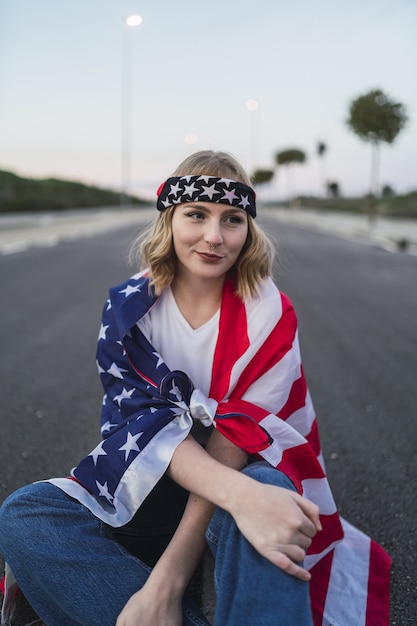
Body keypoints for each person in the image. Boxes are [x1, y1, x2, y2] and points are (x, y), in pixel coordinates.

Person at [0, 151, 390, 626]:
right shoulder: (128, 311)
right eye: (196, 214)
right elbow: (146, 427)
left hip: (236, 470)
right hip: (158, 474)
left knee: (267, 487)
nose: (214, 236)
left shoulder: (267, 313)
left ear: (249, 231)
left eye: (232, 219)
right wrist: (168, 581)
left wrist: (168, 580)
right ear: (169, 219)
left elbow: (238, 441)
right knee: (25, 513)